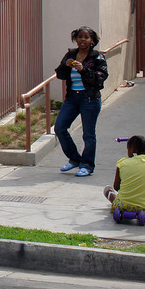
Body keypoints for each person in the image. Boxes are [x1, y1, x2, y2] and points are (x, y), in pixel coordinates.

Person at [53, 26, 108, 177]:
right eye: (79, 37)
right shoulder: (71, 54)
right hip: (72, 98)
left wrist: (83, 69)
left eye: (86, 37)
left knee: (88, 134)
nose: (82, 40)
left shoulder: (97, 57)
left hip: (89, 98)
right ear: (75, 39)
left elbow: (100, 80)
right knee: (60, 128)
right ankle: (75, 159)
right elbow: (60, 75)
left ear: (92, 41)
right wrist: (66, 65)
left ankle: (87, 165)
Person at [104, 135, 145, 212]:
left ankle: (110, 194)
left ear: (132, 148)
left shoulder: (122, 163)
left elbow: (116, 187)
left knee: (108, 190)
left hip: (124, 205)